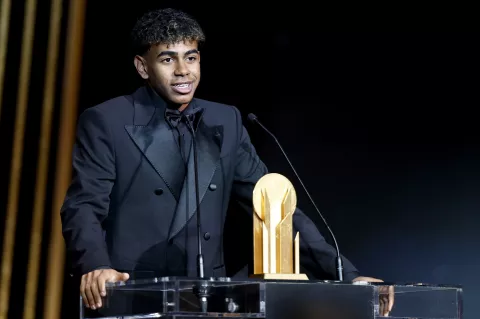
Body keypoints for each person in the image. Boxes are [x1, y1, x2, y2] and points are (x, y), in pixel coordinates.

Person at [60, 7, 393, 316]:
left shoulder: (225, 121)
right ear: (142, 67)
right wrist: (95, 266)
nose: (183, 71)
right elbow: (84, 205)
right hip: (134, 295)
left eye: (191, 58)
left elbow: (274, 211)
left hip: (209, 302)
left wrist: (347, 275)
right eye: (168, 59)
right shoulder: (107, 120)